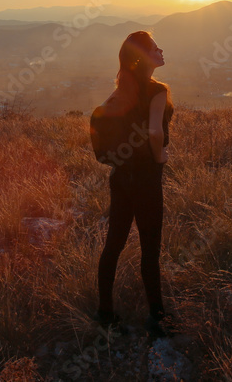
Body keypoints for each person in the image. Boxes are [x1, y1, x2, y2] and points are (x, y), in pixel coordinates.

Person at [95, 30, 174, 337]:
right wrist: (160, 157)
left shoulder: (120, 91)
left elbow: (103, 120)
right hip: (146, 180)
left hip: (120, 178)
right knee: (149, 250)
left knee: (113, 245)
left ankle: (105, 312)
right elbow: (156, 133)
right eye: (156, 48)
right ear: (144, 57)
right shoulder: (157, 90)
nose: (161, 50)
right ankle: (156, 317)